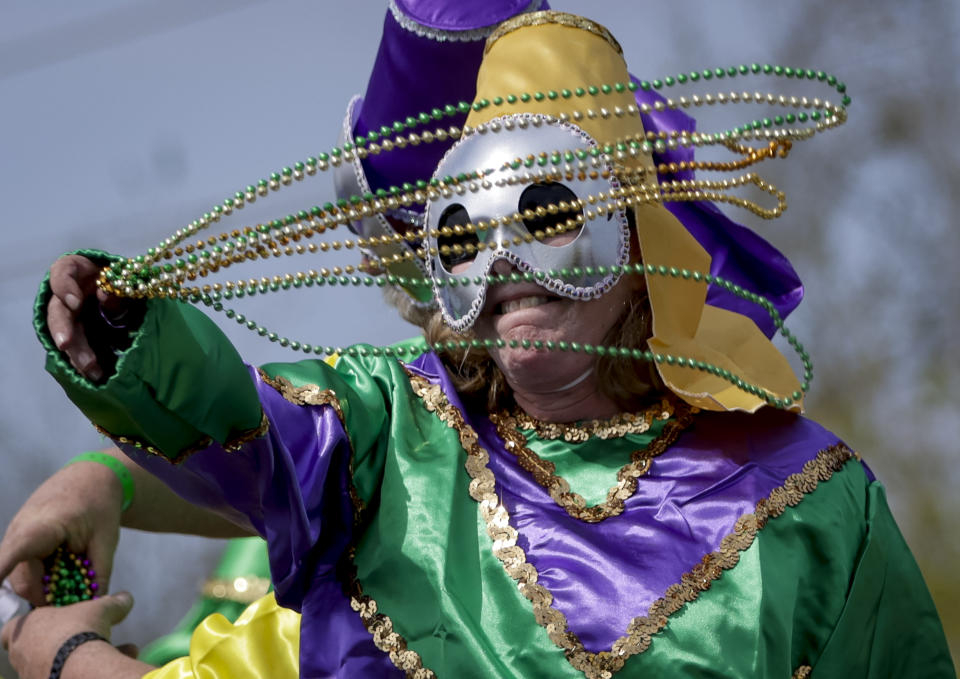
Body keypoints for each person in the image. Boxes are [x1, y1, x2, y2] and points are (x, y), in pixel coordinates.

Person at [2, 6, 955, 679]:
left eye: (548, 214)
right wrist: (124, 337)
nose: (503, 259)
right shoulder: (388, 434)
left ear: (638, 245)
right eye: (463, 229)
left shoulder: (819, 503)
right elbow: (228, 414)